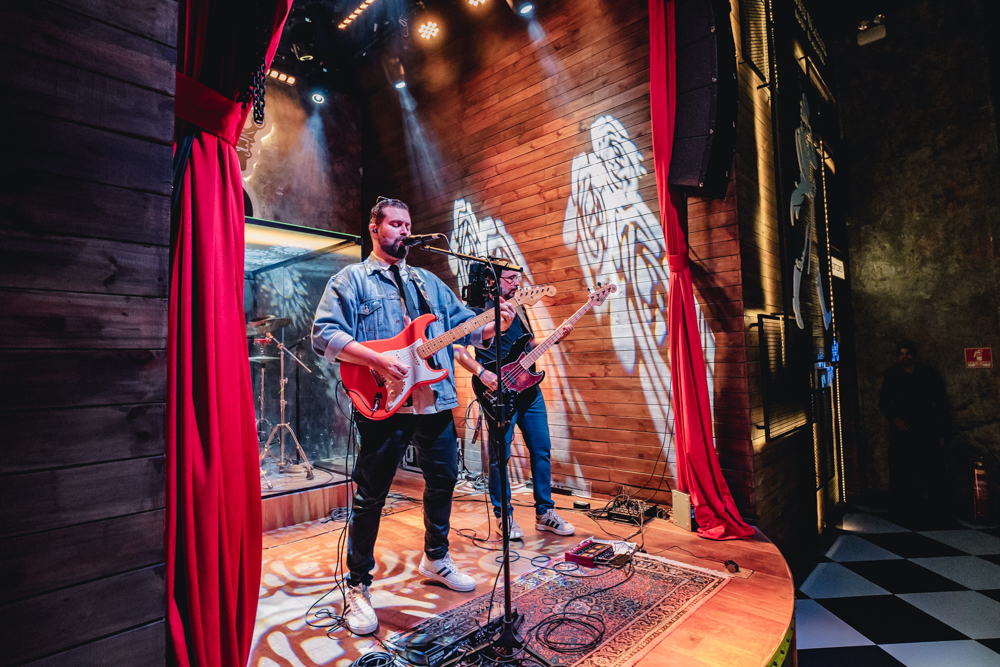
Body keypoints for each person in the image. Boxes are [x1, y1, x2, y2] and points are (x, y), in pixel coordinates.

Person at [311, 198, 515, 635]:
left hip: (434, 400)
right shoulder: (351, 280)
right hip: (384, 401)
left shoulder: (428, 282)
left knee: (444, 479)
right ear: (375, 228)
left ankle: (436, 558)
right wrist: (377, 360)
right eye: (396, 224)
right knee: (371, 495)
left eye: (408, 224)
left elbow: (467, 329)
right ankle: (358, 585)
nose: (404, 231)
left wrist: (494, 324)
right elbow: (324, 335)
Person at [458, 268, 576, 539]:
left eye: (517, 278)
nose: (516, 283)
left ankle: (545, 513)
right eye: (510, 278)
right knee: (500, 456)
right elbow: (458, 349)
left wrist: (554, 337)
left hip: (530, 389)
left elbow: (528, 344)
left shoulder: (519, 307)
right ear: (492, 280)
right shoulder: (476, 310)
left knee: (541, 449)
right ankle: (504, 516)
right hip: (497, 391)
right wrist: (482, 373)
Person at [878, 339, 950, 515]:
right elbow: (884, 402)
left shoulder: (928, 373)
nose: (905, 357)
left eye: (908, 353)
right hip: (902, 428)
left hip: (925, 425)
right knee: (901, 467)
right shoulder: (892, 376)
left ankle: (935, 506)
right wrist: (894, 419)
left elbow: (941, 402)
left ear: (914, 355)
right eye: (901, 354)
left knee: (930, 465)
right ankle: (903, 505)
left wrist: (942, 431)